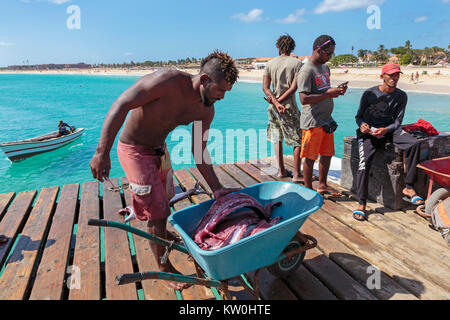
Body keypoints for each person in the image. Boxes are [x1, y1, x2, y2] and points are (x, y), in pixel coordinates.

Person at [90, 51, 240, 290]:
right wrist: (102, 151)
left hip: (159, 151)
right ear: (203, 80)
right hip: (133, 149)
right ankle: (164, 269)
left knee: (165, 202)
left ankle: (163, 235)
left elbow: (199, 152)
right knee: (157, 212)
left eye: (226, 92)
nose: (222, 97)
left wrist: (218, 189)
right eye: (220, 90)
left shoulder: (205, 110)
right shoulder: (166, 82)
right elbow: (122, 104)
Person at [353, 63, 424, 221]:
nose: (395, 78)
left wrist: (386, 130)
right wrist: (362, 125)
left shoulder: (401, 96)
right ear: (382, 76)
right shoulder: (369, 94)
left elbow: (398, 122)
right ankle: (362, 203)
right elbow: (359, 117)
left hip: (389, 131)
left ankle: (409, 187)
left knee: (414, 144)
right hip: (368, 133)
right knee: (364, 165)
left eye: (397, 75)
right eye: (391, 75)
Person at [297, 35, 347, 194]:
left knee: (327, 154)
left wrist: (337, 91)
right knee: (310, 157)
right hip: (312, 121)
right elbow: (304, 99)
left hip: (326, 120)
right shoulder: (306, 70)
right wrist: (328, 94)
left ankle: (322, 185)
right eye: (328, 53)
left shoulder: (325, 68)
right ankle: (307, 189)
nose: (330, 57)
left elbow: (323, 90)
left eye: (332, 54)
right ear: (319, 50)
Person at [263, 34, 303, 182]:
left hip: (273, 108)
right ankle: (297, 174)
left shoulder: (270, 64)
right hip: (289, 107)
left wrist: (274, 102)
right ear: (292, 47)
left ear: (278, 47)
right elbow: (293, 88)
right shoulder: (297, 64)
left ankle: (281, 171)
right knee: (298, 140)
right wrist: (280, 102)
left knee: (277, 138)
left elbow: (265, 88)